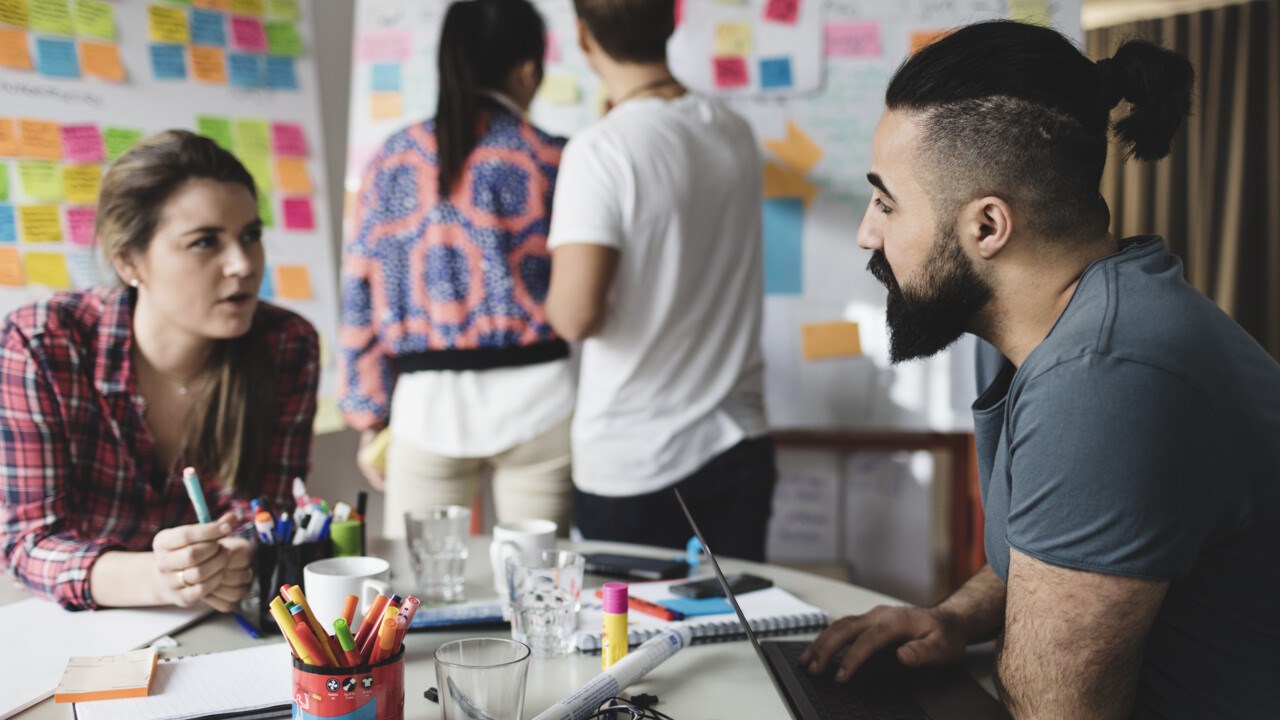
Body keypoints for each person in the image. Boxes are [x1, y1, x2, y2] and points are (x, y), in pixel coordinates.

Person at [799, 20, 1280, 718]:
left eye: (887, 202)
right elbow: (1068, 553)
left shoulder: (1106, 376)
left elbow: (1059, 709)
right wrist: (957, 618)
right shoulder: (1051, 323)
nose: (867, 233)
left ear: (987, 227)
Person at [0, 130, 320, 611]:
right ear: (130, 261)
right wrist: (157, 577)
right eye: (205, 242)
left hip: (219, 619)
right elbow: (28, 540)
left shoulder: (287, 346)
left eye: (250, 236)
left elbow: (265, 509)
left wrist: (235, 555)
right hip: (88, 628)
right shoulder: (41, 345)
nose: (242, 264)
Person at [545, 0, 774, 561]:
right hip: (738, 439)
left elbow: (575, 316)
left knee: (627, 646)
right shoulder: (735, 131)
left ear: (582, 34)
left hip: (638, 458)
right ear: (673, 20)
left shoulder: (600, 150)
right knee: (734, 642)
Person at [340, 0, 574, 538]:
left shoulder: (393, 158)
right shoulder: (554, 157)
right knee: (540, 594)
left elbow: (359, 291)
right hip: (541, 397)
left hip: (427, 405)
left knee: (418, 599)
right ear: (527, 70)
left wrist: (368, 412)